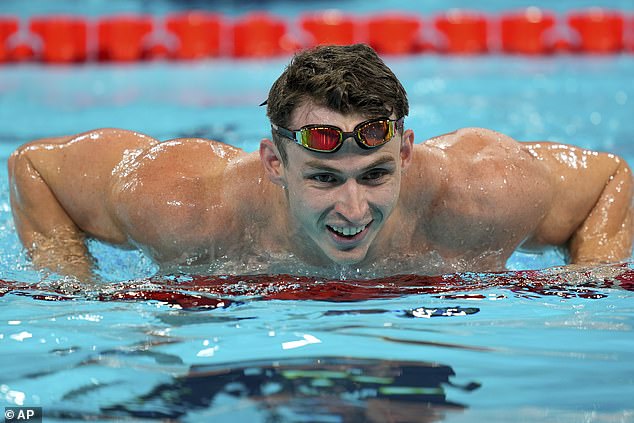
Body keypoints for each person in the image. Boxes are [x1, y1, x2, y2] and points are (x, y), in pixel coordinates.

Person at [8, 44, 633, 280]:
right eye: (324, 178)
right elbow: (35, 167)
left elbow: (610, 177)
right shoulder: (184, 205)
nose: (354, 210)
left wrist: (595, 280)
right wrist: (75, 290)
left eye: (377, 174)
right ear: (274, 164)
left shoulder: (482, 194)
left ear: (407, 154)